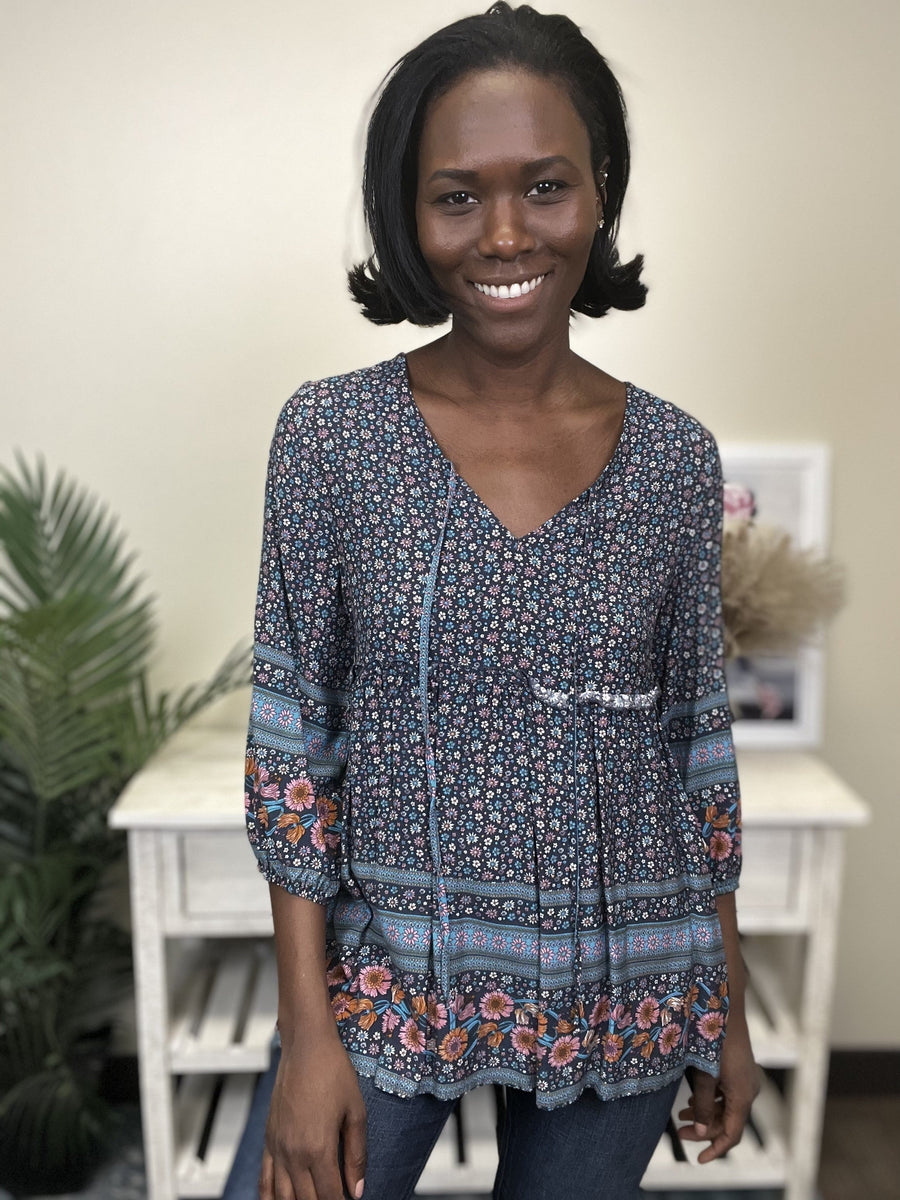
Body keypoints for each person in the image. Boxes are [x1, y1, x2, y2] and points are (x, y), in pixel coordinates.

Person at [242, 4, 759, 1198]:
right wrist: (308, 1036)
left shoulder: (676, 459)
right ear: (408, 215)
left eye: (546, 185)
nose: (507, 233)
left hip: (632, 975)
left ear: (600, 189)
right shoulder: (330, 438)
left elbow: (697, 750)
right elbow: (291, 747)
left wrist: (724, 1005)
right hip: (392, 977)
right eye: (457, 196)